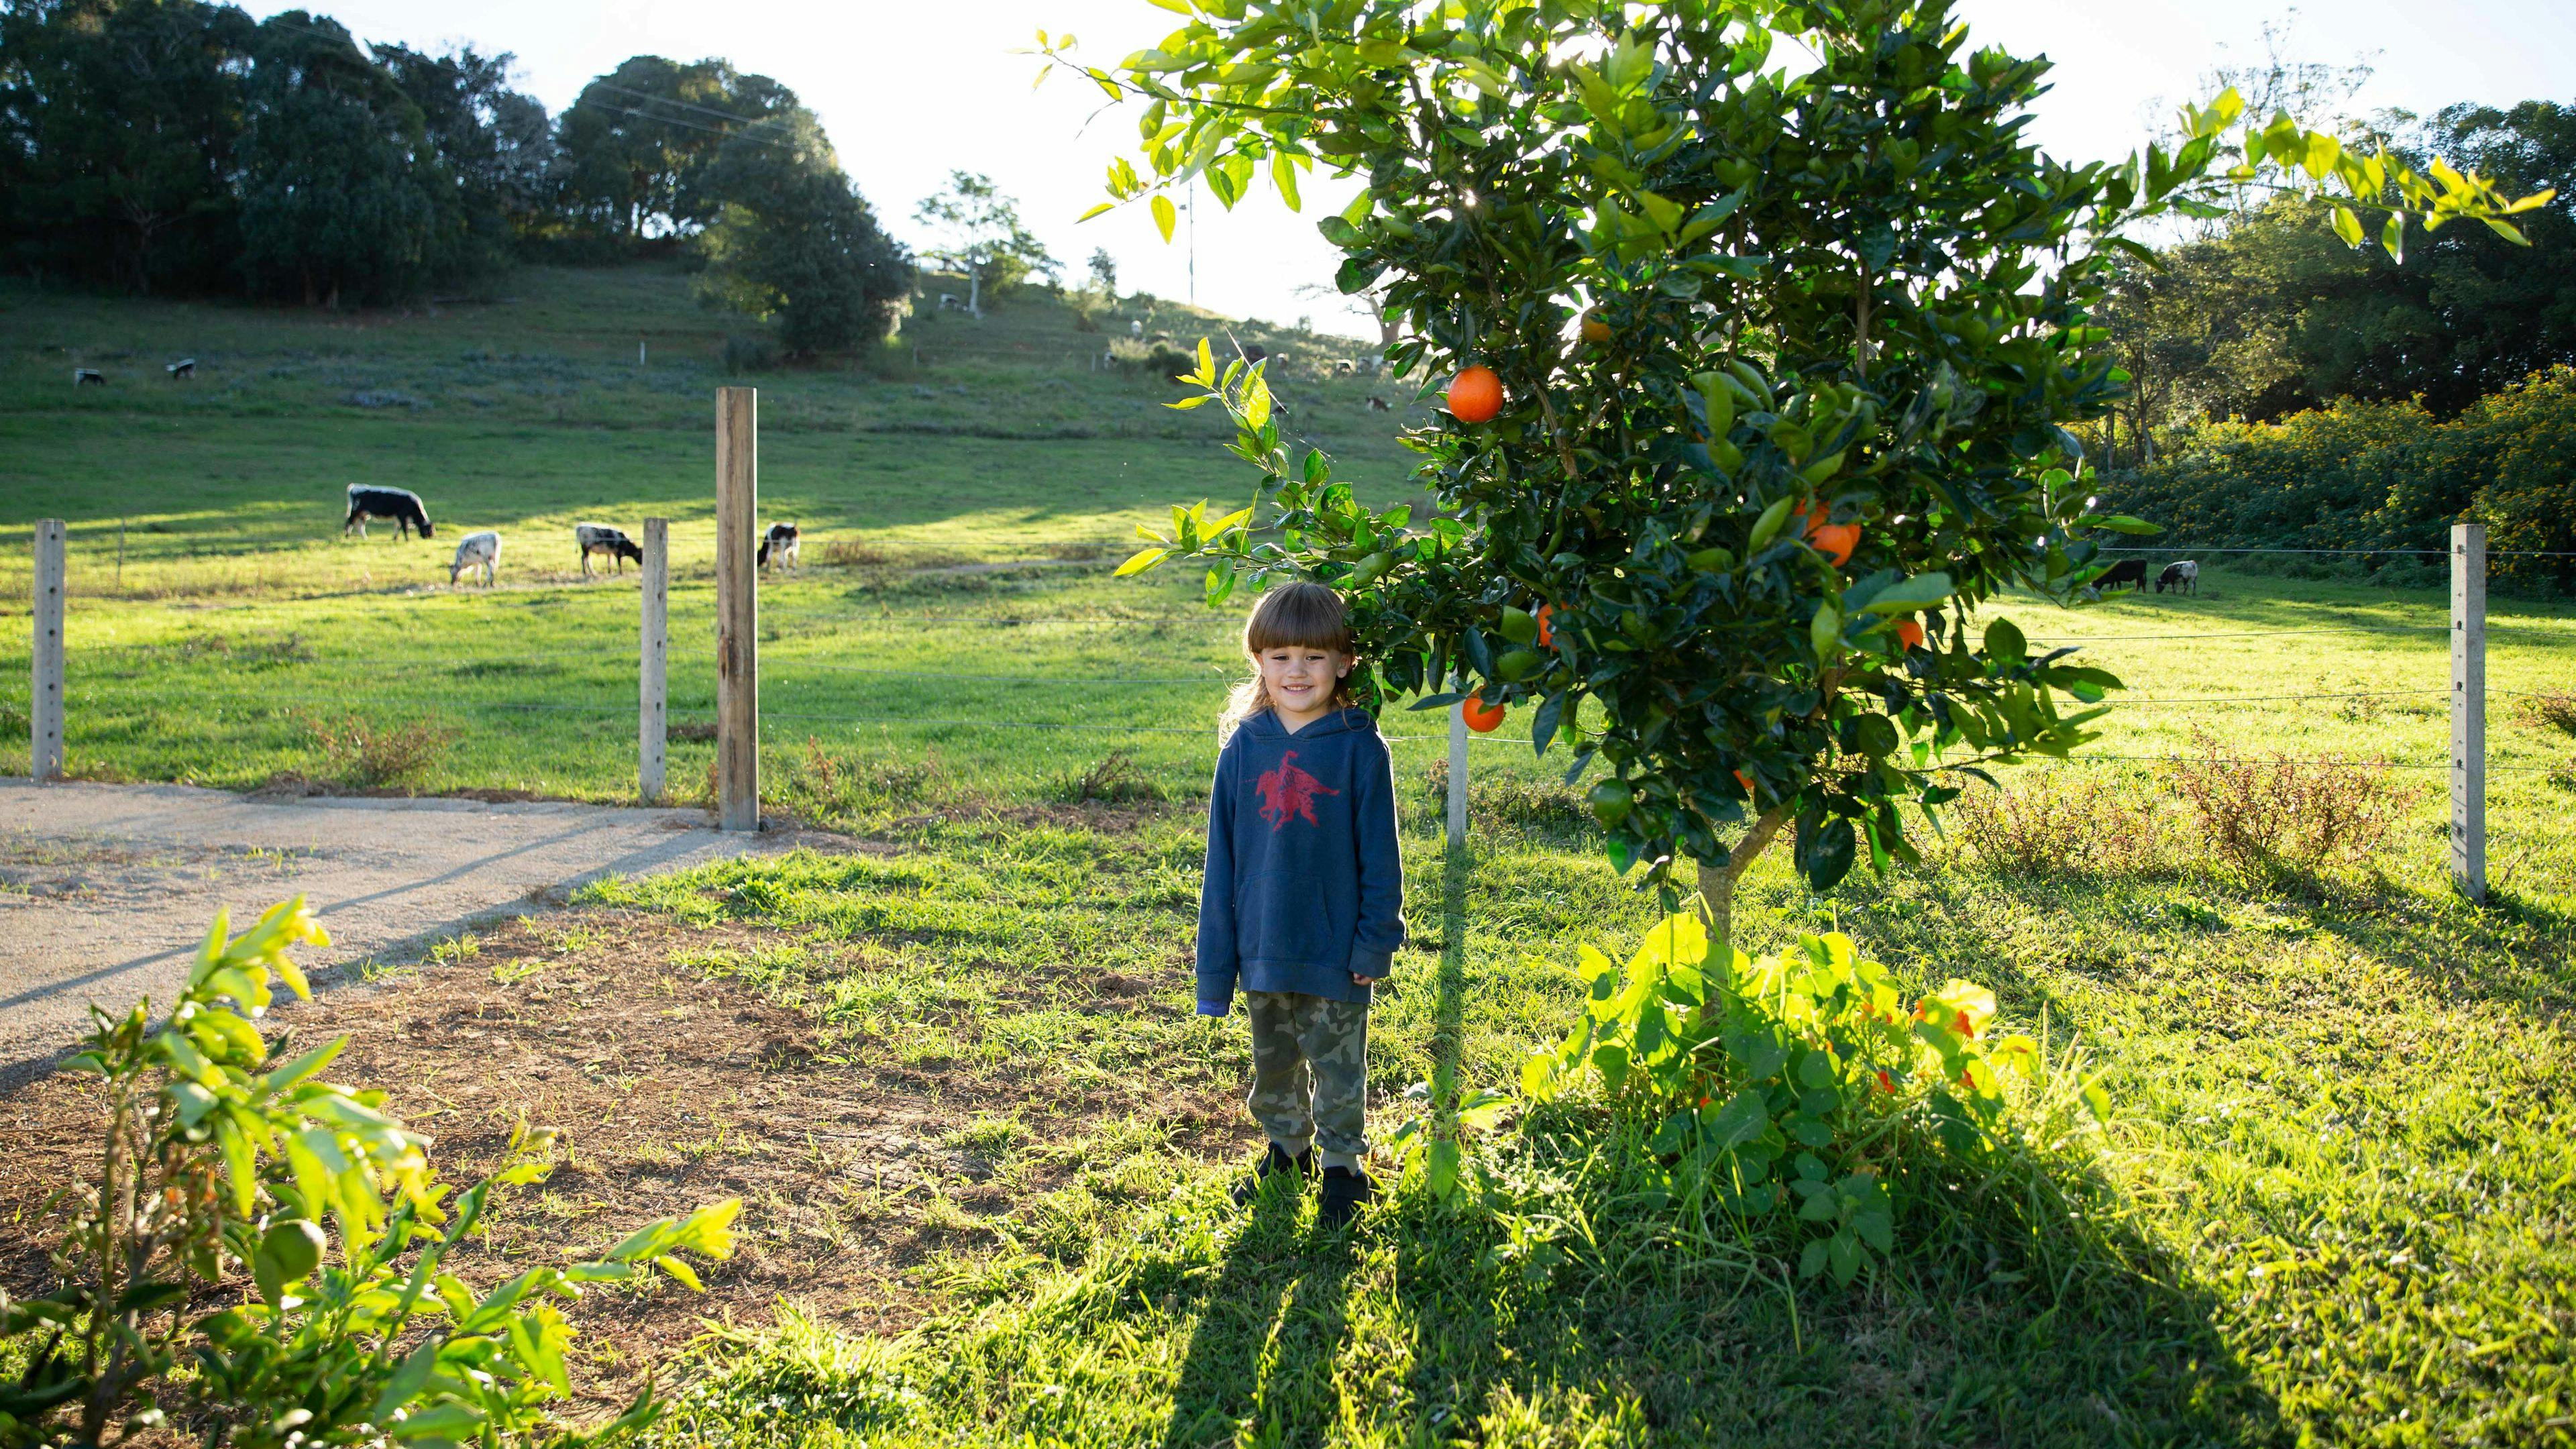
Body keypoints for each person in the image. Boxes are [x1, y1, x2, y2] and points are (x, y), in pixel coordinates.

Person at [1196, 580, 1405, 1227]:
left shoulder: (1359, 748)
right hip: (1262, 943)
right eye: (1281, 655)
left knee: (1339, 1067)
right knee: (1274, 1061)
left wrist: (1375, 940)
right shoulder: (1243, 750)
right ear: (1258, 660)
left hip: (1336, 951)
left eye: (1315, 657)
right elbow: (1221, 865)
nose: (1297, 671)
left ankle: (1343, 1168)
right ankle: (1287, 1152)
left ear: (1344, 663)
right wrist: (1216, 968)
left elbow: (1381, 855)